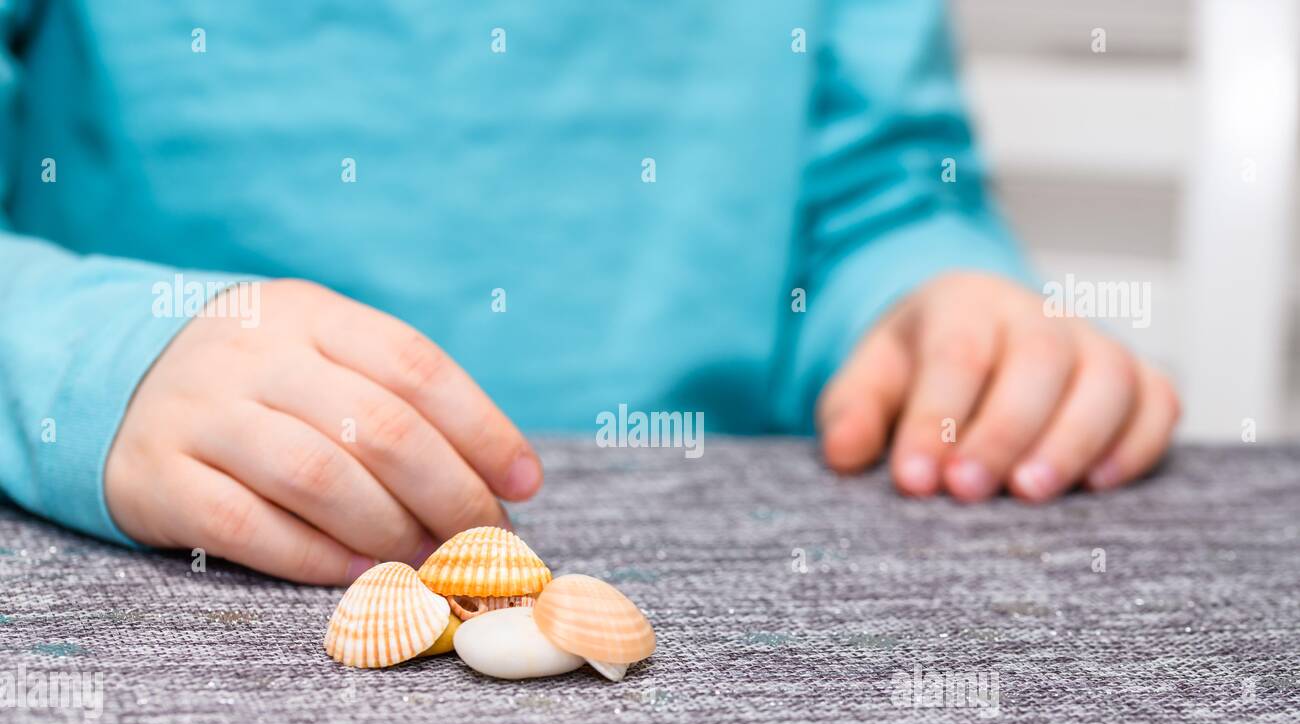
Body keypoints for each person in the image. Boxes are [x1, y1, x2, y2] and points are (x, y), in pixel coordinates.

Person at [0, 1, 1178, 584]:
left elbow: (877, 192)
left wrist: (935, 306)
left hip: (748, 596)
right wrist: (94, 363)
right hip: (184, 594)